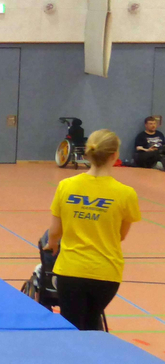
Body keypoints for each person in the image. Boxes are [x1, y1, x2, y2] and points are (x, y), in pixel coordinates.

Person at [44, 129, 141, 331]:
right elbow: (120, 235)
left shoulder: (66, 186)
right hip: (106, 274)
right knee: (91, 322)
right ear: (115, 156)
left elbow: (54, 233)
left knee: (73, 326)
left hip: (71, 271)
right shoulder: (126, 194)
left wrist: (51, 245)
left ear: (87, 153)